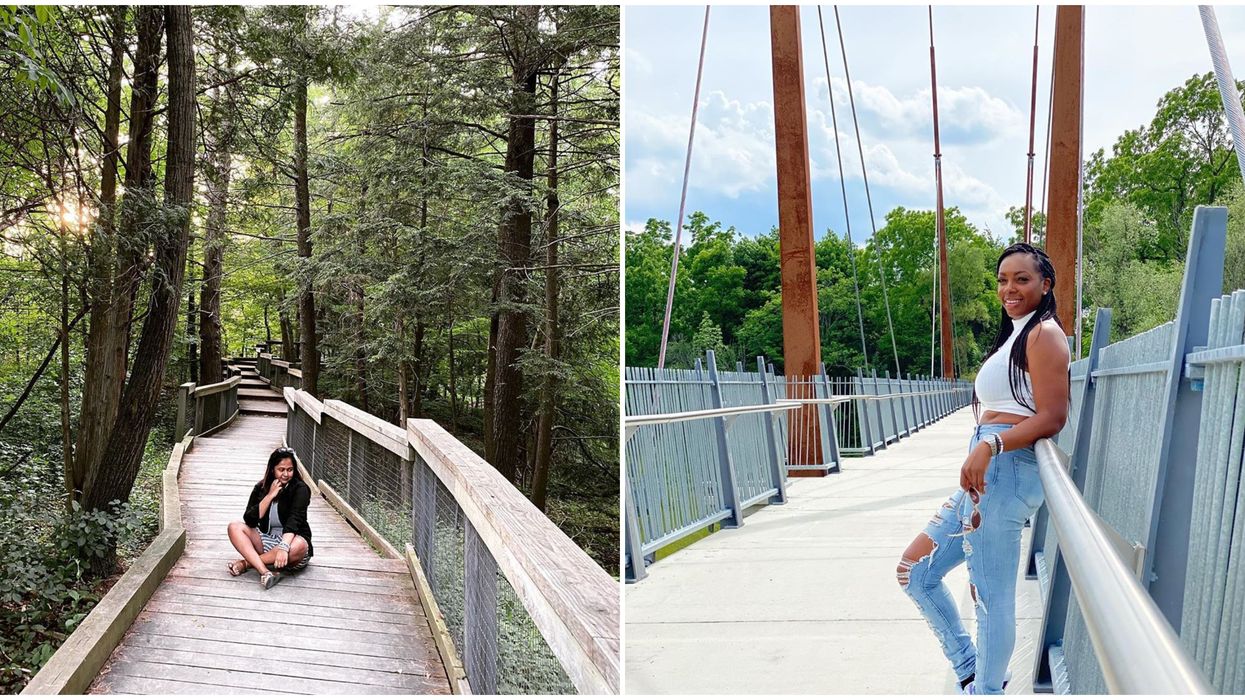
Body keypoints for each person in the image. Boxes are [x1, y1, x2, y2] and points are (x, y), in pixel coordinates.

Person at [897, 243, 1070, 695]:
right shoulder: (1016, 334)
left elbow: (1052, 416)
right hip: (987, 475)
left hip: (1006, 468)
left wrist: (991, 443)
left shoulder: (1044, 334)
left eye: (1022, 279)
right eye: (1002, 280)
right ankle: (972, 670)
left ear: (1045, 284)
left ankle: (986, 691)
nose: (1009, 288)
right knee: (914, 571)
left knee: (991, 599)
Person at [226, 446, 314, 589]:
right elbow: (250, 520)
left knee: (300, 545)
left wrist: (284, 548)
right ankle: (265, 571)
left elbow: (295, 520)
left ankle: (247, 563)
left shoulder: (300, 489)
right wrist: (270, 496)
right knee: (234, 527)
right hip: (268, 540)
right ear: (272, 469)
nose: (286, 474)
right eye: (281, 469)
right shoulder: (261, 487)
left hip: (291, 543)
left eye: (290, 470)